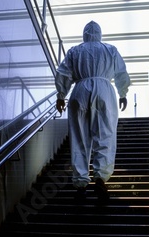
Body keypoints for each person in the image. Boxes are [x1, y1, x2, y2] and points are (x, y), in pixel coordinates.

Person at [55, 21, 131, 202]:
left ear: (84, 34)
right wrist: (123, 93)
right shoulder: (110, 49)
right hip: (104, 90)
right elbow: (121, 73)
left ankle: (81, 183)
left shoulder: (75, 50)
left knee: (79, 138)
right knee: (105, 135)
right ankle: (100, 178)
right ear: (100, 33)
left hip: (80, 91)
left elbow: (63, 73)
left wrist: (61, 95)